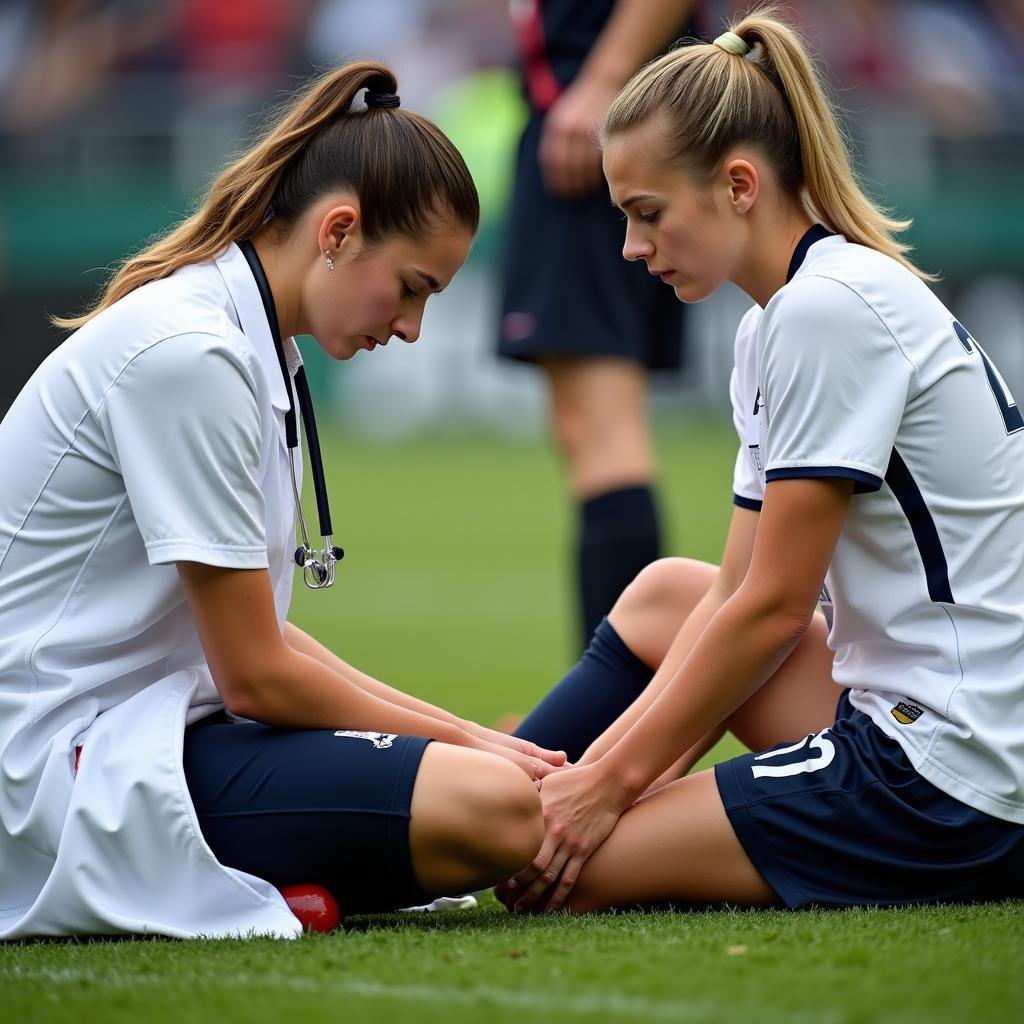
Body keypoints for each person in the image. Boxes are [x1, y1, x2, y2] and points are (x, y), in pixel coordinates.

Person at [0, 60, 565, 941]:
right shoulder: (191, 350)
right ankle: (225, 884)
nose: (413, 326)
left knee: (487, 783)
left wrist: (461, 733)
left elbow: (255, 632)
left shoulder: (245, 340)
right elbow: (257, 675)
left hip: (147, 733)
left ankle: (263, 882)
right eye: (413, 287)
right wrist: (468, 746)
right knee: (493, 807)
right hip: (57, 769)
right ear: (338, 231)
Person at [499, 9, 1024, 914]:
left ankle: (468, 818)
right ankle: (475, 787)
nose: (631, 247)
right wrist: (594, 778)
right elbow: (731, 595)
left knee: (547, 877)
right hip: (909, 714)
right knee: (667, 594)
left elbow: (775, 610)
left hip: (952, 776)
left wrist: (608, 788)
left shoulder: (828, 311)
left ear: (739, 184)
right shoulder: (774, 322)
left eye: (648, 213)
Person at [499, 0, 697, 651]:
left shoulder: (602, 94)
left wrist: (604, 81)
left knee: (601, 425)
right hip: (587, 109)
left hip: (594, 118)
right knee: (588, 426)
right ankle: (615, 714)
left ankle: (617, 723)